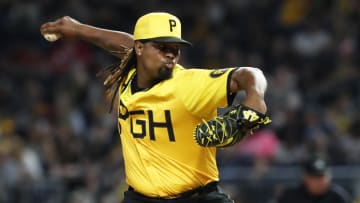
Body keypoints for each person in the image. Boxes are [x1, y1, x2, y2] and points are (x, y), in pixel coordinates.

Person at [40, 12, 270, 203]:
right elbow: (116, 41)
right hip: (140, 198)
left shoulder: (190, 84)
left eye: (175, 48)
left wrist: (255, 100)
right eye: (162, 47)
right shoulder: (131, 70)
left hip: (196, 198)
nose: (170, 54)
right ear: (139, 49)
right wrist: (77, 28)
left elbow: (251, 75)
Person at [274, 156, 353, 203]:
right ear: (305, 177)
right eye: (315, 177)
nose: (320, 181)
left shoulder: (338, 197)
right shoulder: (290, 197)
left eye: (322, 176)